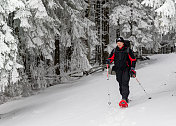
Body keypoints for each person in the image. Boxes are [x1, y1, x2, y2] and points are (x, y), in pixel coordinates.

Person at [106, 37, 136, 103]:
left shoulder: (128, 50)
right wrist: (108, 61)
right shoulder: (115, 50)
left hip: (126, 69)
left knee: (125, 82)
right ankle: (124, 97)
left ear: (123, 43)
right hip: (118, 69)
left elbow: (133, 60)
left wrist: (132, 68)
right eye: (117, 43)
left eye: (120, 43)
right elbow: (111, 58)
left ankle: (124, 98)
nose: (119, 44)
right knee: (120, 83)